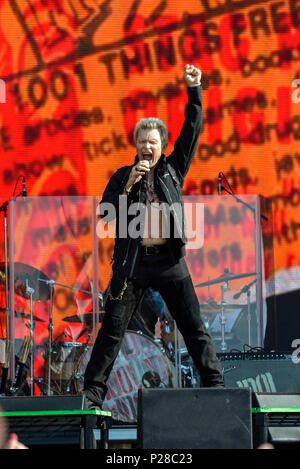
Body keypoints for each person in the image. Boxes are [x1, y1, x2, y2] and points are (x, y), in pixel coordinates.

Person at [82, 64, 224, 410]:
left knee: (194, 327)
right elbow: (105, 217)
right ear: (136, 145)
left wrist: (194, 90)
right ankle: (92, 395)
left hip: (169, 262)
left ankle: (217, 387)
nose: (148, 146)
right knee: (112, 332)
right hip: (132, 266)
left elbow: (191, 131)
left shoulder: (173, 170)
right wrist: (128, 185)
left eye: (153, 142)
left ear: (161, 146)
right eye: (143, 142)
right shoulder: (121, 176)